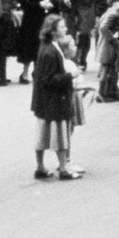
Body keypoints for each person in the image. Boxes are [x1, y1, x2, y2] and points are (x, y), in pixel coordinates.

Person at [30, 14, 86, 180]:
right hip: (54, 99)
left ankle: (40, 167)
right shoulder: (51, 51)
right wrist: (71, 75)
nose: (65, 29)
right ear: (53, 31)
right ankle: (63, 169)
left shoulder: (46, 46)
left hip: (43, 100)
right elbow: (50, 79)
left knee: (42, 134)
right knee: (61, 134)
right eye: (62, 26)